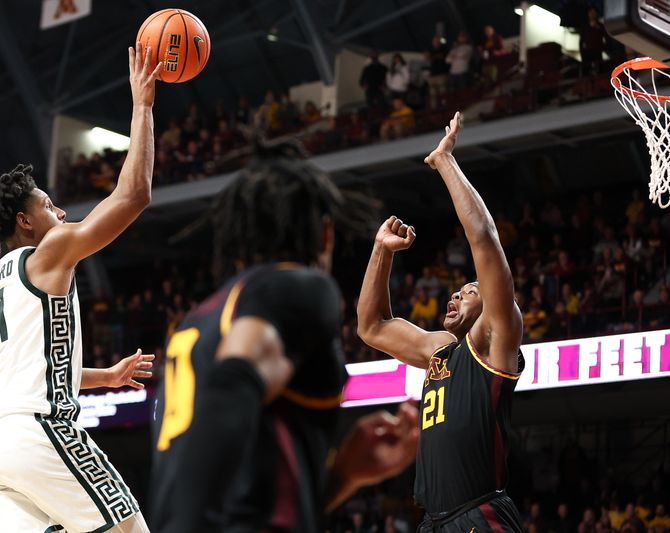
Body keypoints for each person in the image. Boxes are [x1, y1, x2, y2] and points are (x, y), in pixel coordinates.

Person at [150, 137, 421, 532]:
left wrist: (346, 473)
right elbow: (233, 382)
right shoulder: (298, 287)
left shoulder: (198, 320)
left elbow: (250, 498)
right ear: (325, 233)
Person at [0, 45, 161, 533]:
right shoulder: (46, 255)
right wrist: (142, 106)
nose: (63, 215)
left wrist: (105, 377)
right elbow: (133, 196)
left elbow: (34, 371)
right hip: (38, 434)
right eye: (52, 207)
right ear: (25, 221)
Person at [357, 112, 524, 532]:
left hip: (479, 513)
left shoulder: (493, 338)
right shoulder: (438, 350)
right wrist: (382, 251)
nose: (456, 294)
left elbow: (484, 238)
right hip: (432, 522)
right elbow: (372, 327)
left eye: (469, 290)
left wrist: (445, 160)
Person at [426, 35, 450, 109]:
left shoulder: (444, 49)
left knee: (443, 92)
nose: (435, 42)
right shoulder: (430, 50)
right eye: (434, 41)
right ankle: (434, 109)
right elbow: (427, 58)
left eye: (437, 41)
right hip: (433, 74)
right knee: (433, 94)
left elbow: (443, 57)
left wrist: (433, 57)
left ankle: (445, 106)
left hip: (442, 74)